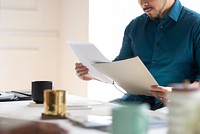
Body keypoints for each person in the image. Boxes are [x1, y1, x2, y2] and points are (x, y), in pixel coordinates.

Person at [75, 0, 200, 110]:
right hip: (133, 103)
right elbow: (120, 69)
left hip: (178, 108)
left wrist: (179, 94)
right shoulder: (134, 26)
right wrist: (92, 73)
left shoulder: (196, 25)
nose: (143, 3)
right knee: (87, 118)